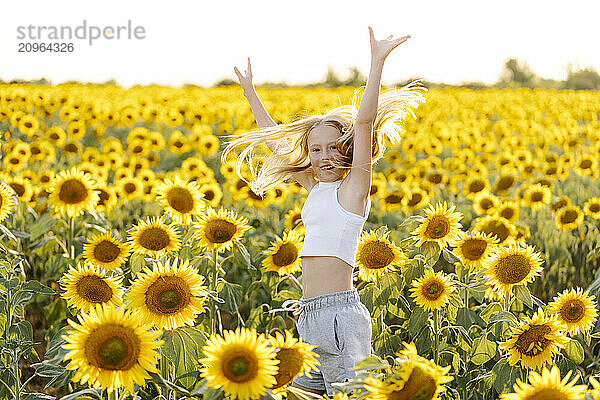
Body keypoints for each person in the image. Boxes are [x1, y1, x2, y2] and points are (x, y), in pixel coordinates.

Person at [222, 26, 426, 397]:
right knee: (299, 393)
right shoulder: (315, 188)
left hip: (339, 317)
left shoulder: (354, 190)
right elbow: (275, 144)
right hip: (309, 315)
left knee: (351, 396)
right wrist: (250, 92)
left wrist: (376, 62)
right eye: (316, 150)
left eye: (334, 148)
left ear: (348, 151)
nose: (325, 157)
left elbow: (363, 123)